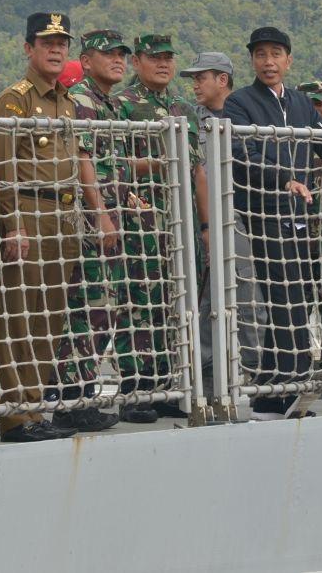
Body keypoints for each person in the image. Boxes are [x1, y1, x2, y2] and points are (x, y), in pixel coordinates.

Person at [223, 27, 322, 420]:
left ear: (289, 60)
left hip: (301, 214)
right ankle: (292, 381)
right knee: (284, 296)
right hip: (265, 211)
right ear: (252, 61)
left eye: (276, 54)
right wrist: (283, 178)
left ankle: (271, 395)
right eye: (260, 54)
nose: (268, 61)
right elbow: (244, 154)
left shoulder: (302, 104)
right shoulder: (239, 103)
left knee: (301, 293)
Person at [0, 12, 117, 443]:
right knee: (18, 317)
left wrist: (92, 211)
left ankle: (35, 407)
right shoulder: (15, 99)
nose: (56, 50)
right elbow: (1, 166)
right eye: (47, 43)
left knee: (49, 318)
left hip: (63, 218)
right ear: (28, 49)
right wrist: (11, 225)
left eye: (62, 43)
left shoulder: (66, 102)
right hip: (28, 214)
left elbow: (78, 161)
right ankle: (14, 414)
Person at [116, 34, 209, 418]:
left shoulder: (182, 106)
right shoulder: (122, 104)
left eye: (168, 58)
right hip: (141, 221)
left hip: (181, 221)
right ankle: (136, 387)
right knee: (138, 301)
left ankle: (170, 384)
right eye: (154, 58)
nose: (163, 64)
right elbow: (114, 159)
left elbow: (196, 167)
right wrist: (160, 162)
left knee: (178, 303)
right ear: (137, 62)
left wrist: (206, 223)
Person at [51, 29, 132, 428]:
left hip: (110, 214)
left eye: (121, 54)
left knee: (103, 308)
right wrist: (99, 212)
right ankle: (72, 399)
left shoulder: (109, 103)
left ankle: (81, 392)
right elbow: (83, 158)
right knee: (86, 308)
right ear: (86, 60)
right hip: (87, 222)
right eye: (108, 54)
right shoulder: (82, 99)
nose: (118, 60)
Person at [180, 51, 264, 394]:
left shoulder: (245, 117)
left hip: (241, 220)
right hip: (197, 224)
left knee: (248, 297)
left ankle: (260, 375)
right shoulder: (189, 119)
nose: (196, 84)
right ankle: (206, 383)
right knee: (202, 304)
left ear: (223, 80)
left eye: (202, 77)